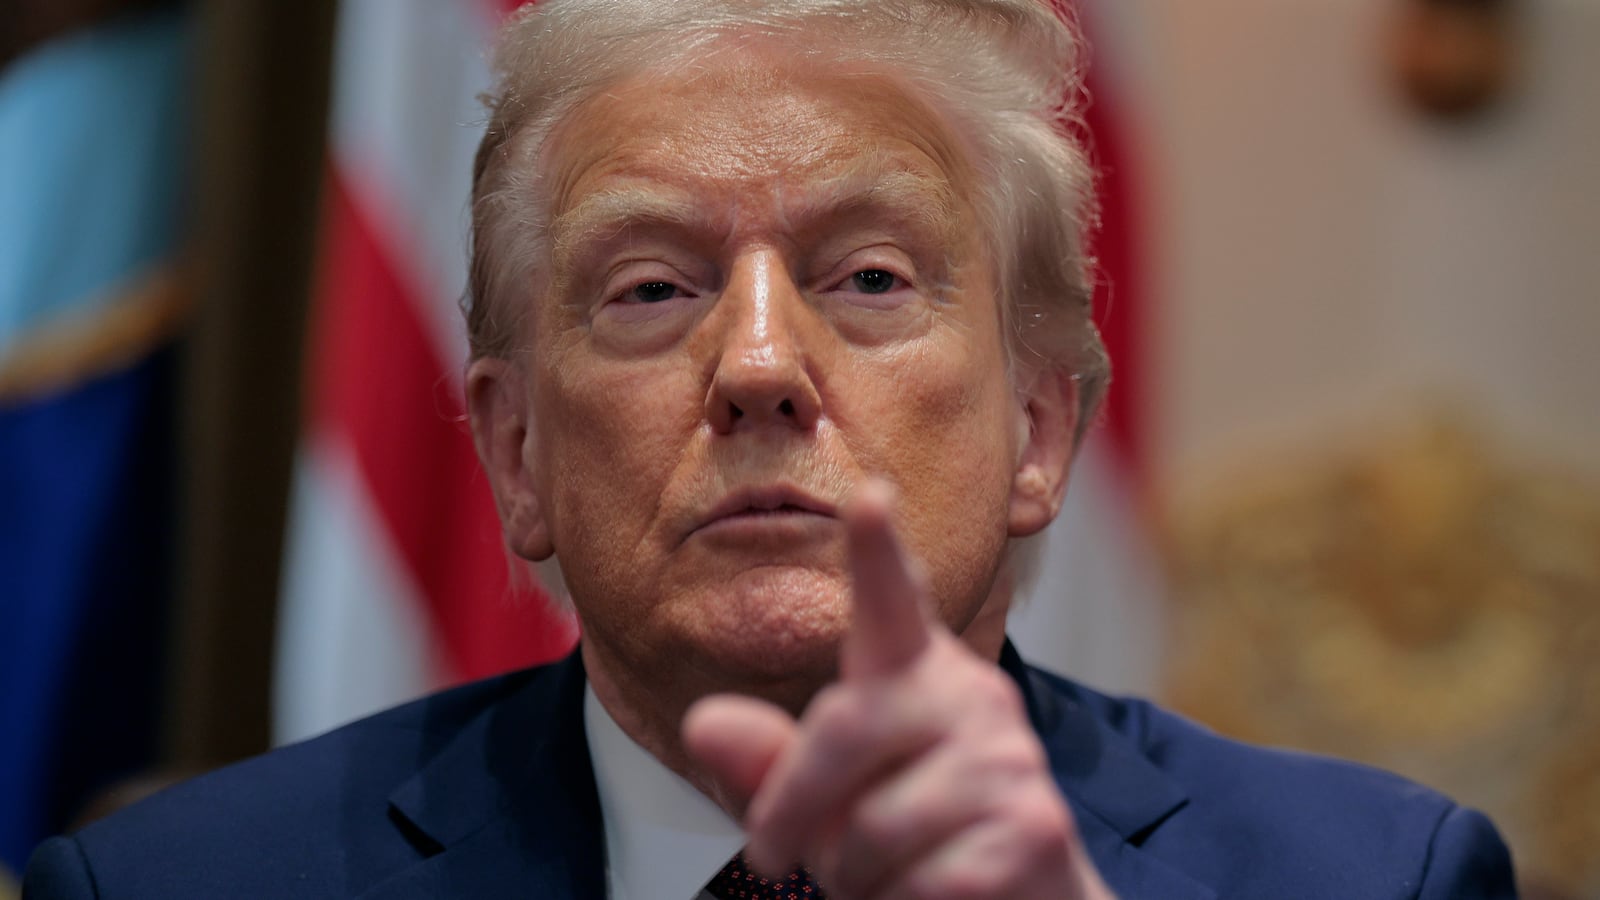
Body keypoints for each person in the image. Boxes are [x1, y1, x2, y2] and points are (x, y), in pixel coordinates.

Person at [25, 1, 1518, 897]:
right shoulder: (180, 886)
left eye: (869, 279)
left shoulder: (1374, 879)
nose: (753, 366)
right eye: (652, 288)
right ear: (517, 451)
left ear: (1041, 428)